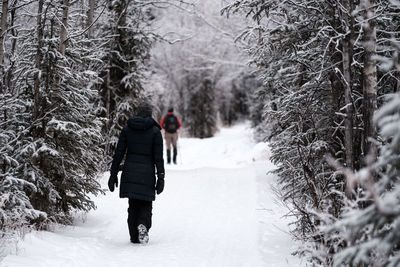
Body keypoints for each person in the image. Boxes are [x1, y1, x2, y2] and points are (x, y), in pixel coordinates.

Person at [108, 102, 165, 244]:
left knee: (133, 204)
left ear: (138, 113)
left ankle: (134, 236)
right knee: (146, 203)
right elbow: (158, 157)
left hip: (130, 172)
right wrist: (161, 177)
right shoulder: (155, 131)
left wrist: (113, 173)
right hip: (147, 173)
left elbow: (119, 152)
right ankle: (143, 224)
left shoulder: (128, 128)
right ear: (150, 114)